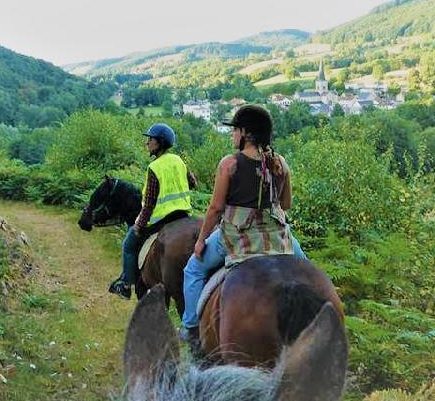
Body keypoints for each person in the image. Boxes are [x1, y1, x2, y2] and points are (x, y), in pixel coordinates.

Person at [179, 105, 306, 344]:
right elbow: (286, 204)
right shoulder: (280, 163)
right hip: (276, 237)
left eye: (234, 129)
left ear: (246, 133)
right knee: (307, 270)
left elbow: (216, 208)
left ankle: (190, 328)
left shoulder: (229, 164)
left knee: (193, 269)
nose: (231, 134)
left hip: (238, 237)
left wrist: (200, 241)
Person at [108, 123, 196, 299]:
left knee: (128, 244)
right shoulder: (178, 160)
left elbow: (148, 205)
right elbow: (193, 183)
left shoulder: (154, 168)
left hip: (161, 221)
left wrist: (138, 226)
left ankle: (125, 284)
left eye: (150, 139)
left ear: (160, 142)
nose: (147, 143)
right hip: (184, 216)